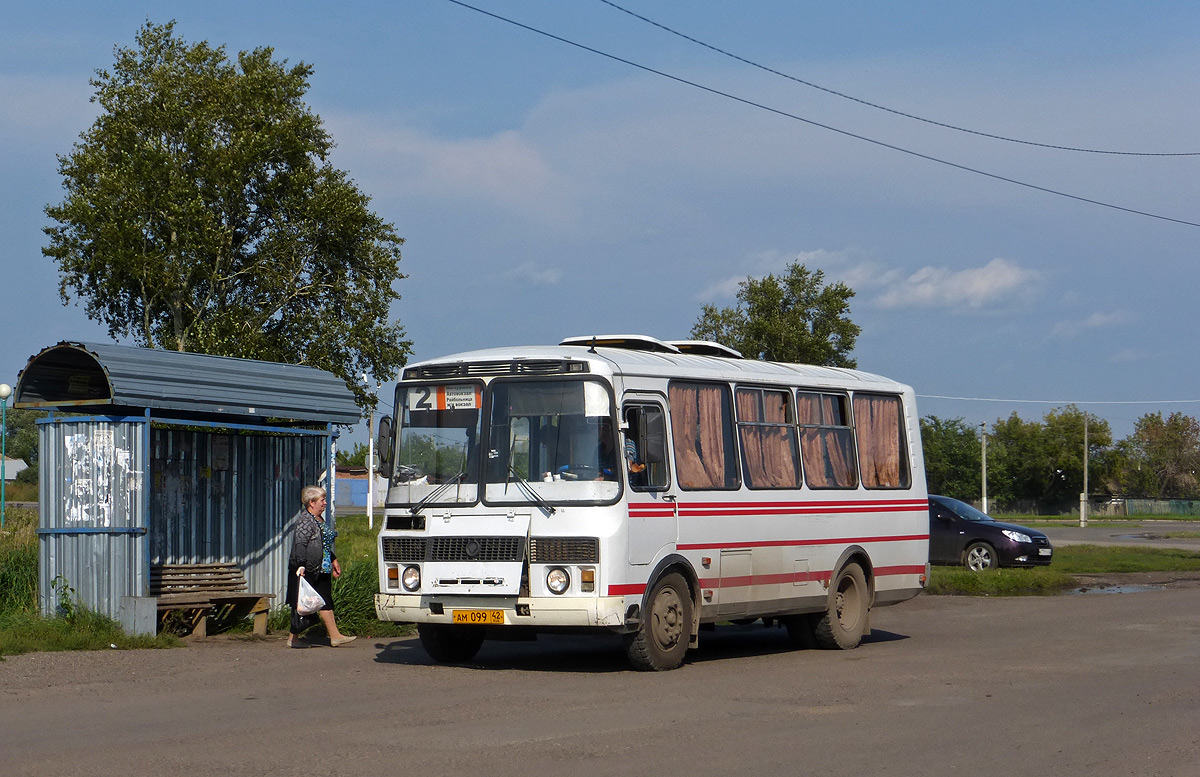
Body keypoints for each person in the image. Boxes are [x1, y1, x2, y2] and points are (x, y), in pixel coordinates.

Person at [286, 485, 356, 648]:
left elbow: (323, 545)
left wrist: (333, 559)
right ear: (311, 502)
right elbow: (300, 544)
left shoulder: (318, 520)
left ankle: (334, 636)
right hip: (308, 568)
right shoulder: (305, 520)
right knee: (304, 603)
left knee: (324, 600)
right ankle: (294, 638)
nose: (325, 503)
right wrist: (301, 566)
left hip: (322, 567)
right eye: (322, 500)